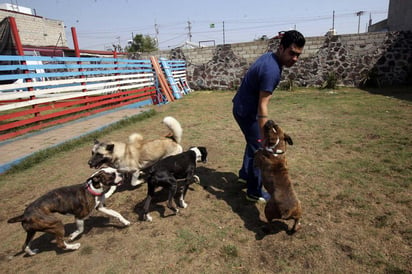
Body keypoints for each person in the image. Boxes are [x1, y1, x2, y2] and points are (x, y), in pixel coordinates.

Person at [232, 30, 305, 203]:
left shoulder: (270, 58)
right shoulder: (272, 70)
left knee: (253, 142)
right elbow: (262, 105)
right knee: (260, 148)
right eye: (292, 53)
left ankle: (244, 175)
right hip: (247, 112)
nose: (294, 58)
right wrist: (265, 136)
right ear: (281, 48)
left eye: (298, 55)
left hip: (241, 107)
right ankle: (254, 191)